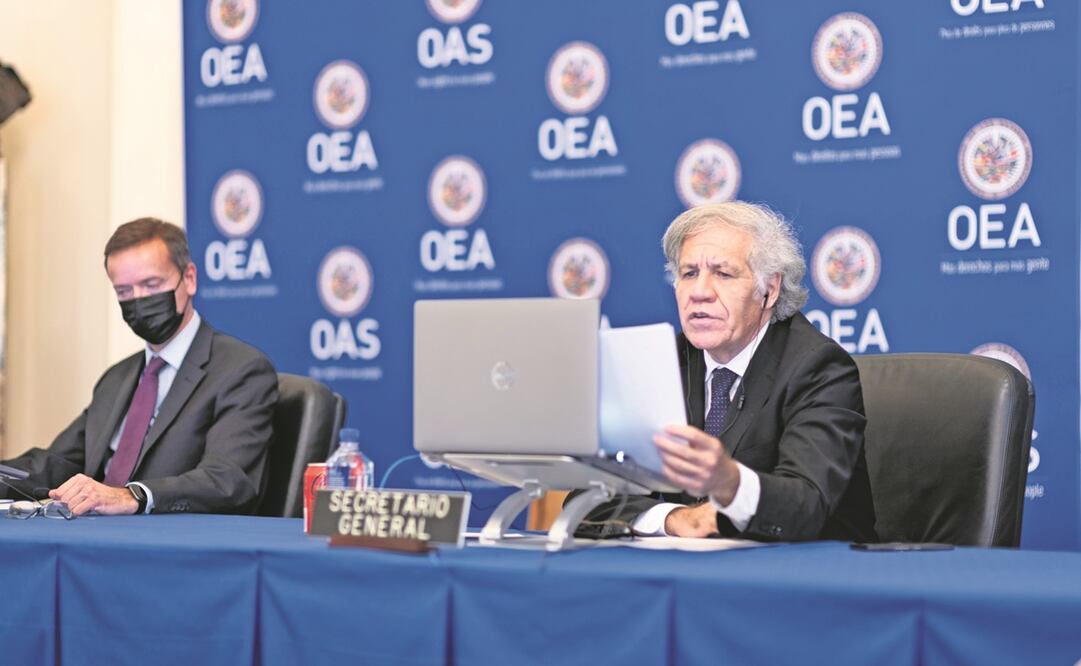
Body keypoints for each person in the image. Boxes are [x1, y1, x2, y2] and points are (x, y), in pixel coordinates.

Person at [584, 201, 876, 542]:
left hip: (806, 578)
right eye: (689, 273)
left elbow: (806, 504)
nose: (700, 292)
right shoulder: (662, 363)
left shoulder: (819, 368)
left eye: (723, 274)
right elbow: (588, 500)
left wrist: (730, 483)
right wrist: (673, 518)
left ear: (769, 290)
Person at [0, 218, 278, 516]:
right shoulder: (117, 378)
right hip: (92, 540)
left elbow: (227, 480)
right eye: (124, 292)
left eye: (151, 284)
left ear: (190, 279)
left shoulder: (241, 370)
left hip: (172, 548)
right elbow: (57, 463)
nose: (139, 301)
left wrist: (133, 496)